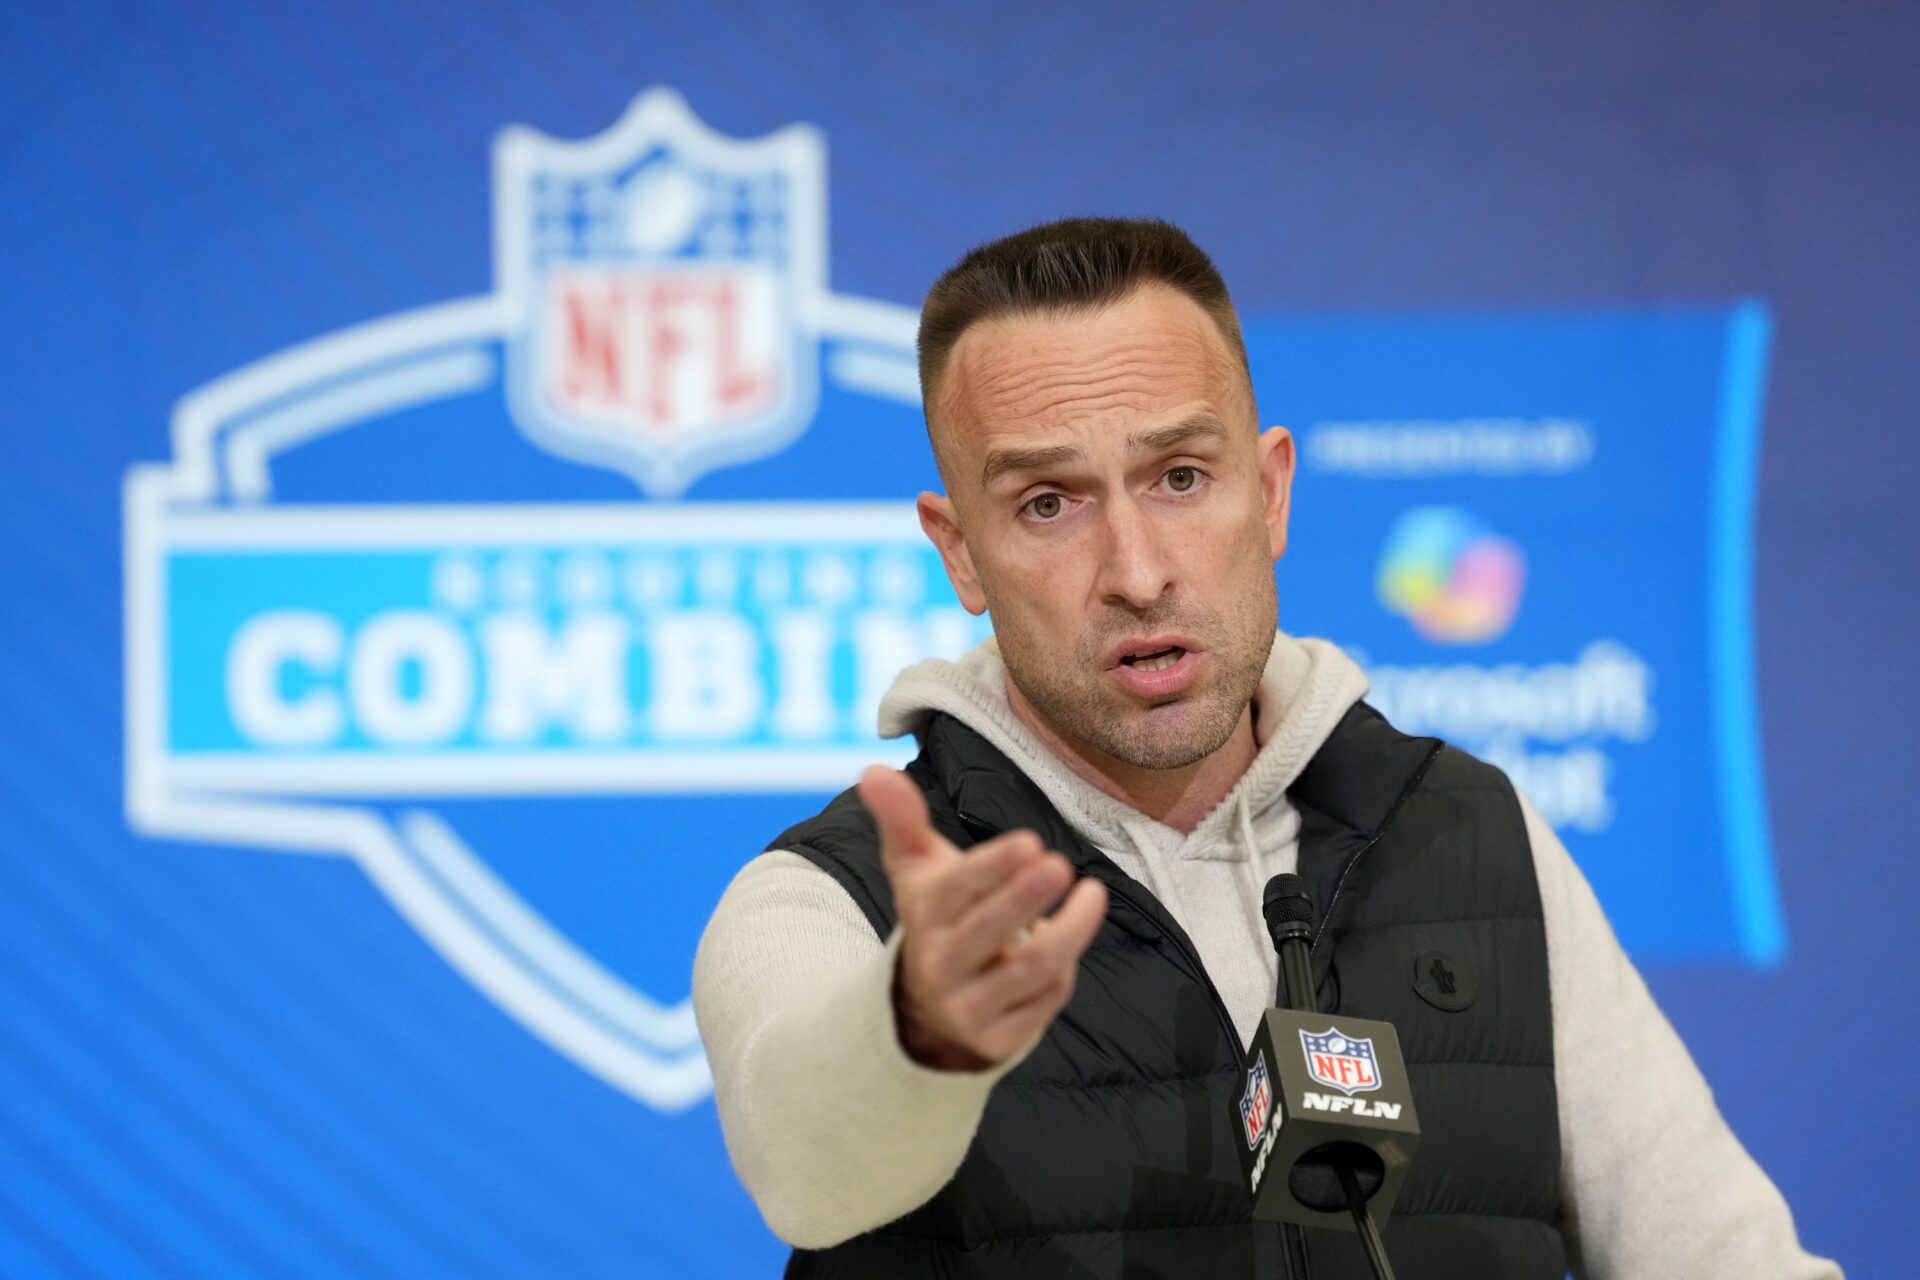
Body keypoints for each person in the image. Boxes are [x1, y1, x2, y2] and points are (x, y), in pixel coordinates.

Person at [692, 217, 1840, 1279]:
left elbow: (1723, 1253)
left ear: (1273, 489)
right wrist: (916, 1030)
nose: (1137, 570)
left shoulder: (1472, 834)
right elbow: (807, 1171)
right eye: (1048, 502)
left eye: (1180, 477)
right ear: (960, 553)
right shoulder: (822, 897)